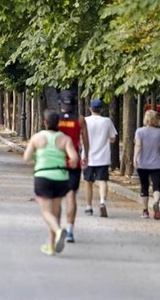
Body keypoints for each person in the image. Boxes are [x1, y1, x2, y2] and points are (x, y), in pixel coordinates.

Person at [23, 109, 78, 256]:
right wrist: (71, 164)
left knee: (47, 213)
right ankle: (51, 246)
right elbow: (74, 158)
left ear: (45, 122)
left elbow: (26, 158)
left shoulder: (37, 138)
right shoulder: (65, 139)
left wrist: (37, 158)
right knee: (56, 212)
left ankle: (59, 231)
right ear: (58, 123)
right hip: (60, 178)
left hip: (43, 177)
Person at [57, 90, 89, 243]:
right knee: (71, 196)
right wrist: (86, 156)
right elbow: (85, 140)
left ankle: (57, 229)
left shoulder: (55, 119)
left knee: (56, 198)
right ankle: (69, 230)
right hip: (73, 161)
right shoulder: (81, 120)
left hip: (56, 162)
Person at [83, 99, 117, 217]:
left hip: (87, 157)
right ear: (101, 109)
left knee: (88, 182)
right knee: (102, 181)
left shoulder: (85, 121)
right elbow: (113, 138)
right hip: (103, 157)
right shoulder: (107, 121)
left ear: (90, 109)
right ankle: (102, 202)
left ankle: (88, 206)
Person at [134, 110, 160, 220]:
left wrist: (135, 158)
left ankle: (145, 211)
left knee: (144, 186)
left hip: (142, 163)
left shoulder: (140, 131)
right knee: (156, 186)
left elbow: (138, 145)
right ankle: (156, 202)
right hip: (157, 163)